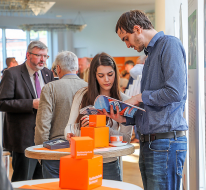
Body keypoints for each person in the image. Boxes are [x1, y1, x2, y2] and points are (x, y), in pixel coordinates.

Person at [109, 10, 188, 190]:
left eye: (126, 38)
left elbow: (174, 92)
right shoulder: (150, 55)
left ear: (137, 29)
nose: (127, 45)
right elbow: (151, 106)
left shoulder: (169, 44)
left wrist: (138, 97)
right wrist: (124, 118)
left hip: (164, 143)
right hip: (151, 143)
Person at [64, 52, 133, 181]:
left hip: (109, 163)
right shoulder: (81, 95)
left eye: (110, 74)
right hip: (83, 159)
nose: (106, 80)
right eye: (101, 76)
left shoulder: (125, 101)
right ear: (94, 76)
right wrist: (71, 134)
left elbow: (127, 139)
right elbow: (70, 126)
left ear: (116, 74)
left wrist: (101, 128)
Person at [0, 41, 54, 182]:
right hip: (23, 138)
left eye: (45, 56)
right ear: (28, 55)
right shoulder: (12, 74)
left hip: (45, 138)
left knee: (42, 182)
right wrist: (31, 103)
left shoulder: (48, 74)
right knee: (23, 181)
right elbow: (2, 103)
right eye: (39, 55)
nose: (43, 60)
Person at [34, 51, 87, 178]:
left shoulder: (50, 88)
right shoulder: (88, 87)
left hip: (55, 152)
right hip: (83, 149)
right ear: (76, 67)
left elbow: (43, 125)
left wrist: (41, 154)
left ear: (58, 68)